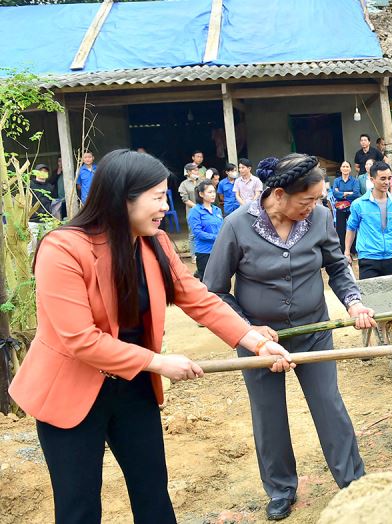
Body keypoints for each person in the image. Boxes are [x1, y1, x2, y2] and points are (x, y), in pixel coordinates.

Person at [9, 149, 292, 524]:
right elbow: (80, 338)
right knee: (78, 507)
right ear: (121, 196)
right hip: (70, 390)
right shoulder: (63, 248)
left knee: (153, 494)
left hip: (132, 386)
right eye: (157, 196)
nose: (165, 206)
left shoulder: (154, 243)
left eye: (166, 195)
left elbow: (196, 296)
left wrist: (254, 339)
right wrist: (158, 362)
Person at [203, 154, 376, 521]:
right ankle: (281, 489)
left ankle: (354, 481)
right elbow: (214, 292)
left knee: (329, 405)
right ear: (278, 194)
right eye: (307, 201)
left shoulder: (321, 217)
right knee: (269, 416)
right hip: (259, 341)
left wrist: (354, 302)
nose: (314, 207)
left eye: (318, 200)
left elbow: (336, 266)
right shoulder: (236, 225)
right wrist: (248, 328)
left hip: (312, 332)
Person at [345, 161, 392, 278]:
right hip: (368, 258)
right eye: (382, 179)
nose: (387, 182)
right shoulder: (359, 204)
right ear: (372, 179)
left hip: (389, 256)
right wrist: (347, 252)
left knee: (389, 295)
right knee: (370, 295)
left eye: (389, 178)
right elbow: (351, 228)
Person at [188, 180, 223, 282]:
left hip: (219, 250)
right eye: (209, 192)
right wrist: (217, 237)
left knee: (220, 279)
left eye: (214, 192)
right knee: (207, 281)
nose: (213, 195)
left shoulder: (217, 210)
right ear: (201, 194)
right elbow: (198, 233)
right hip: (204, 252)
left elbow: (222, 227)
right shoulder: (195, 211)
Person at [332, 160, 361, 253]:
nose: (345, 168)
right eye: (343, 166)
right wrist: (348, 193)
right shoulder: (337, 180)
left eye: (347, 166)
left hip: (351, 208)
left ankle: (353, 250)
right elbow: (335, 193)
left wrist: (342, 194)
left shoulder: (354, 181)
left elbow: (356, 193)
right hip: (340, 208)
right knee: (340, 229)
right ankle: (342, 250)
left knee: (352, 227)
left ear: (350, 169)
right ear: (340, 169)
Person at [28, 164, 56, 254]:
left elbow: (53, 201)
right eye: (41, 171)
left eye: (45, 171)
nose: (43, 173)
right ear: (35, 172)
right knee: (31, 245)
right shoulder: (29, 185)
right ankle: (29, 265)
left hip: (46, 219)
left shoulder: (50, 187)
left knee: (47, 245)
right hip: (32, 219)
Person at [178, 162, 201, 261]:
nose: (197, 172)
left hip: (204, 210)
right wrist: (197, 207)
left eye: (197, 170)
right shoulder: (184, 184)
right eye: (194, 170)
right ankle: (194, 255)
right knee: (193, 234)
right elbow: (185, 199)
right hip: (192, 212)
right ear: (188, 172)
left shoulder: (201, 181)